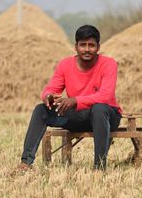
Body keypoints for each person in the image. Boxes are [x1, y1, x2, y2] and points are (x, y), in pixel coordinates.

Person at [19, 25, 122, 171]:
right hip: (78, 117)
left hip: (106, 118)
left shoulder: (109, 64)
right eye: (83, 45)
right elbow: (51, 88)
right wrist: (47, 96)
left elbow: (105, 96)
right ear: (76, 47)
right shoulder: (65, 64)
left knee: (99, 109)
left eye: (91, 45)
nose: (87, 49)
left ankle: (99, 166)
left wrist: (75, 100)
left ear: (98, 47)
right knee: (41, 110)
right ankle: (26, 162)